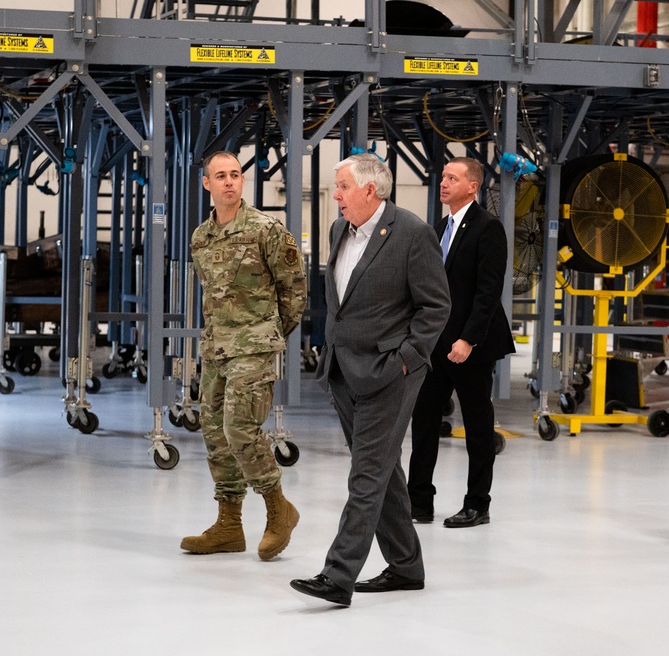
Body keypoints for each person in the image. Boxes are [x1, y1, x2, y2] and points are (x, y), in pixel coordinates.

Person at [290, 153, 450, 606]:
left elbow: (436, 306)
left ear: (370, 190)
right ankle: (406, 566)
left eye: (341, 186)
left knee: (365, 475)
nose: (335, 195)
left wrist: (405, 359)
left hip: (389, 374)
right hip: (343, 371)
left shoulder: (412, 233)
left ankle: (337, 576)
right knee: (383, 474)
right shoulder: (340, 230)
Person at [181, 151, 306, 561]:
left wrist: (269, 335)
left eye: (236, 174)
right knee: (214, 432)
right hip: (217, 347)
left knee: (240, 429)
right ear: (207, 184)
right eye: (221, 176)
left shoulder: (266, 230)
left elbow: (294, 290)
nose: (230, 182)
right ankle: (229, 525)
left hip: (253, 345)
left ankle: (277, 509)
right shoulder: (201, 237)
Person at [407, 157, 515, 528]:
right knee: (423, 421)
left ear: (473, 186)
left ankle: (477, 504)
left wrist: (467, 339)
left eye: (452, 178)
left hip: (472, 345)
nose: (444, 182)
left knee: (477, 424)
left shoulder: (488, 228)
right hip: (435, 344)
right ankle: (418, 501)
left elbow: (488, 292)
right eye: (443, 176)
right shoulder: (439, 228)